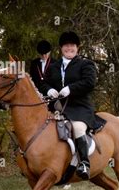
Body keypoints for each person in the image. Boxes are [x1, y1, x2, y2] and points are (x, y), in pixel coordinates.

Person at [39, 31, 97, 180]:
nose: (69, 48)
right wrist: (49, 89)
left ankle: (84, 163)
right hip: (57, 107)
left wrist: (71, 89)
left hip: (79, 107)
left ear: (77, 48)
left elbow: (89, 82)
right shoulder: (53, 66)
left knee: (77, 128)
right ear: (61, 48)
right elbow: (43, 83)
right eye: (66, 45)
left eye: (72, 45)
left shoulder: (85, 64)